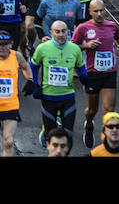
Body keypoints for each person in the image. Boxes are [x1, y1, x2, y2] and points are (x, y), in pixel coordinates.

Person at [71, 0, 119, 149]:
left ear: (106, 11)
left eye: (101, 10)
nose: (99, 14)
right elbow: (72, 46)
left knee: (109, 110)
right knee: (92, 110)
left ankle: (108, 141)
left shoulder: (112, 26)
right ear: (90, 12)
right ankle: (89, 124)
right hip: (92, 73)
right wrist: (86, 45)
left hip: (110, 72)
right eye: (95, 11)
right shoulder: (83, 28)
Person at [30, 20, 89, 149]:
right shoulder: (42, 48)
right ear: (51, 33)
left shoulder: (74, 49)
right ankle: (46, 130)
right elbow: (33, 67)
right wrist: (34, 85)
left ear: (68, 32)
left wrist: (84, 77)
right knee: (51, 138)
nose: (61, 34)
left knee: (67, 136)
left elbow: (81, 66)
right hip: (48, 98)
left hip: (68, 97)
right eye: (57, 31)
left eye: (64, 31)